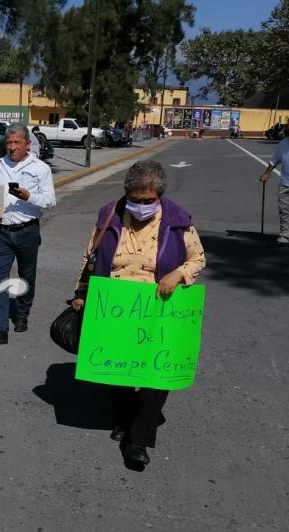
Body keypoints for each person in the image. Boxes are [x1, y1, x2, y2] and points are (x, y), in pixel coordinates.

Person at [71, 160, 206, 467]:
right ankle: (125, 419)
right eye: (136, 200)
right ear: (127, 194)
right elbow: (88, 258)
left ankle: (139, 439)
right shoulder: (109, 217)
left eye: (149, 201)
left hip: (159, 308)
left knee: (157, 375)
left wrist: (178, 274)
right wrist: (81, 293)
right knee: (118, 372)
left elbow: (198, 259)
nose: (142, 206)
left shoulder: (178, 222)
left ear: (160, 197)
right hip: (115, 308)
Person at [0, 123, 56, 345]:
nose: (12, 147)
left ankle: (21, 315)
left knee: (26, 277)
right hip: (2, 232)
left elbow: (50, 201)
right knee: (0, 279)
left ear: (28, 144)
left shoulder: (41, 168)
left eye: (17, 142)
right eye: (8, 143)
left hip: (27, 231)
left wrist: (28, 195)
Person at [259, 115, 289, 247]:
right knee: (285, 213)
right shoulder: (284, 143)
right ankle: (286, 238)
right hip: (286, 184)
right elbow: (274, 161)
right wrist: (266, 173)